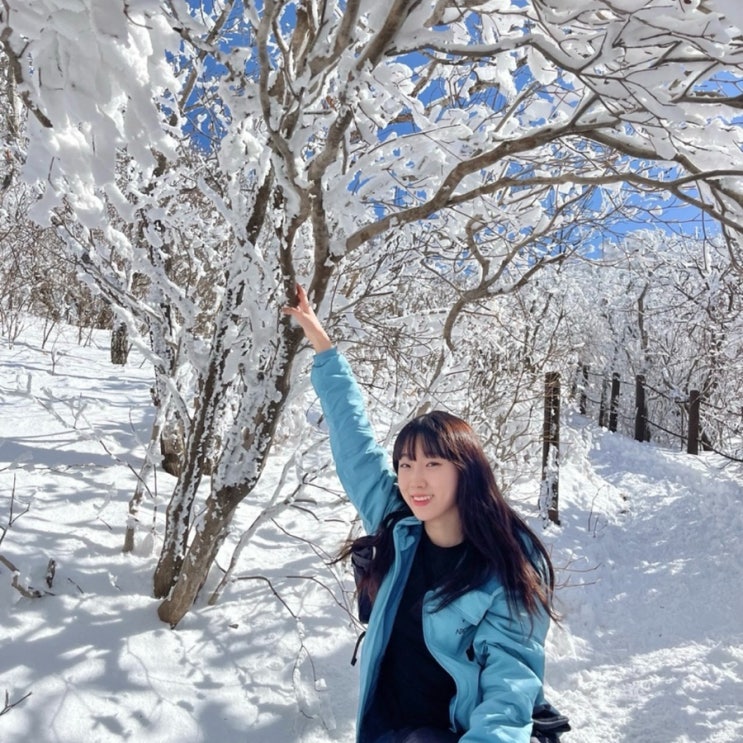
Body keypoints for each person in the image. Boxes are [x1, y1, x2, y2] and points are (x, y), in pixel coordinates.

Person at [284, 285, 558, 743]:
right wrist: (323, 348)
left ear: (466, 470)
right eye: (406, 465)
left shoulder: (507, 562)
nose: (415, 481)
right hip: (385, 730)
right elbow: (353, 441)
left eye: (433, 464)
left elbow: (509, 684)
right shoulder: (399, 523)